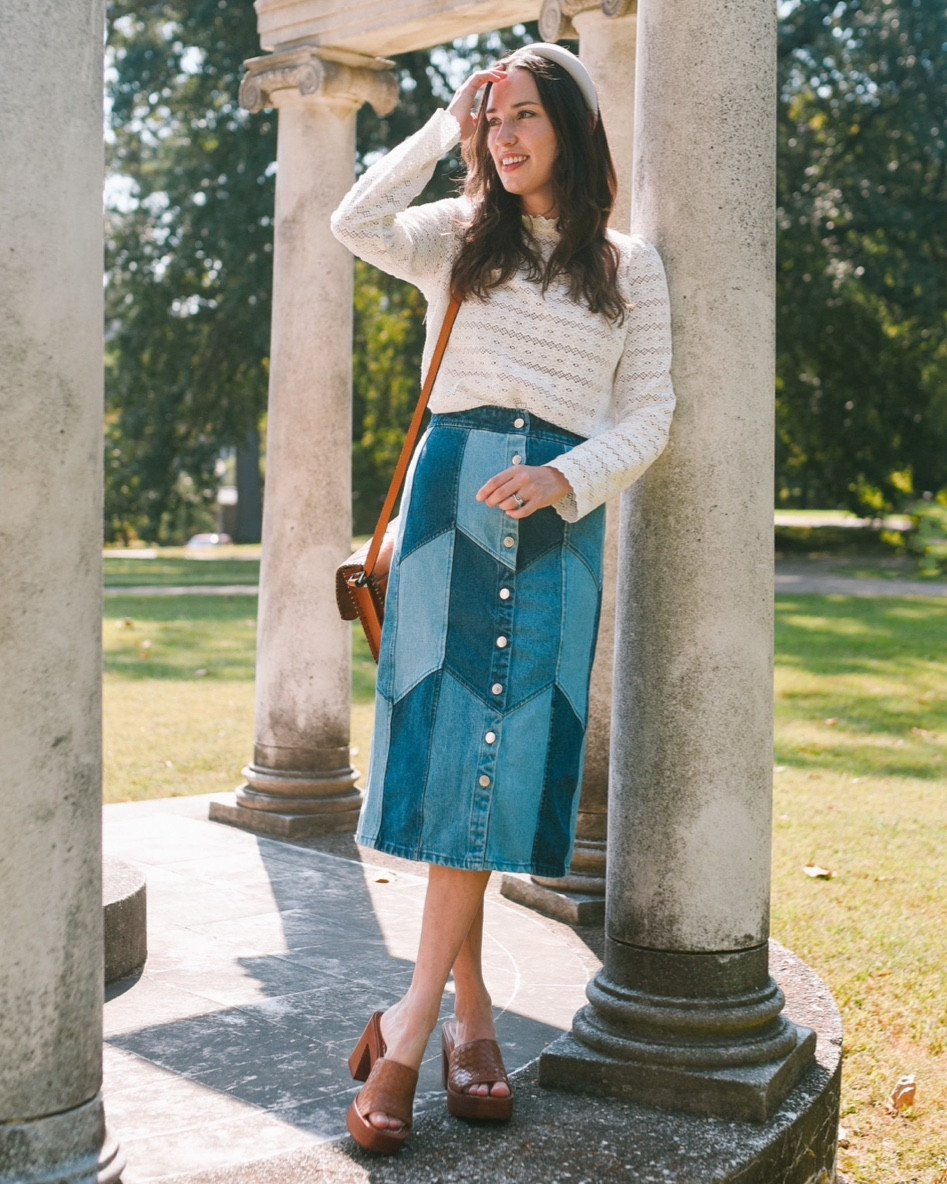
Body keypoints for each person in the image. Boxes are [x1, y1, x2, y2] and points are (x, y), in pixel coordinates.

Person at [330, 41, 675, 1154]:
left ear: (572, 129)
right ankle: (442, 1019)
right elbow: (354, 221)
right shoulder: (457, 240)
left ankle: (415, 1015)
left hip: (555, 523)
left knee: (500, 757)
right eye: (496, 119)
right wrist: (441, 125)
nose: (508, 135)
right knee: (450, 761)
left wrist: (566, 478)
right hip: (448, 513)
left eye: (526, 114)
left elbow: (649, 413)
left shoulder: (629, 267)